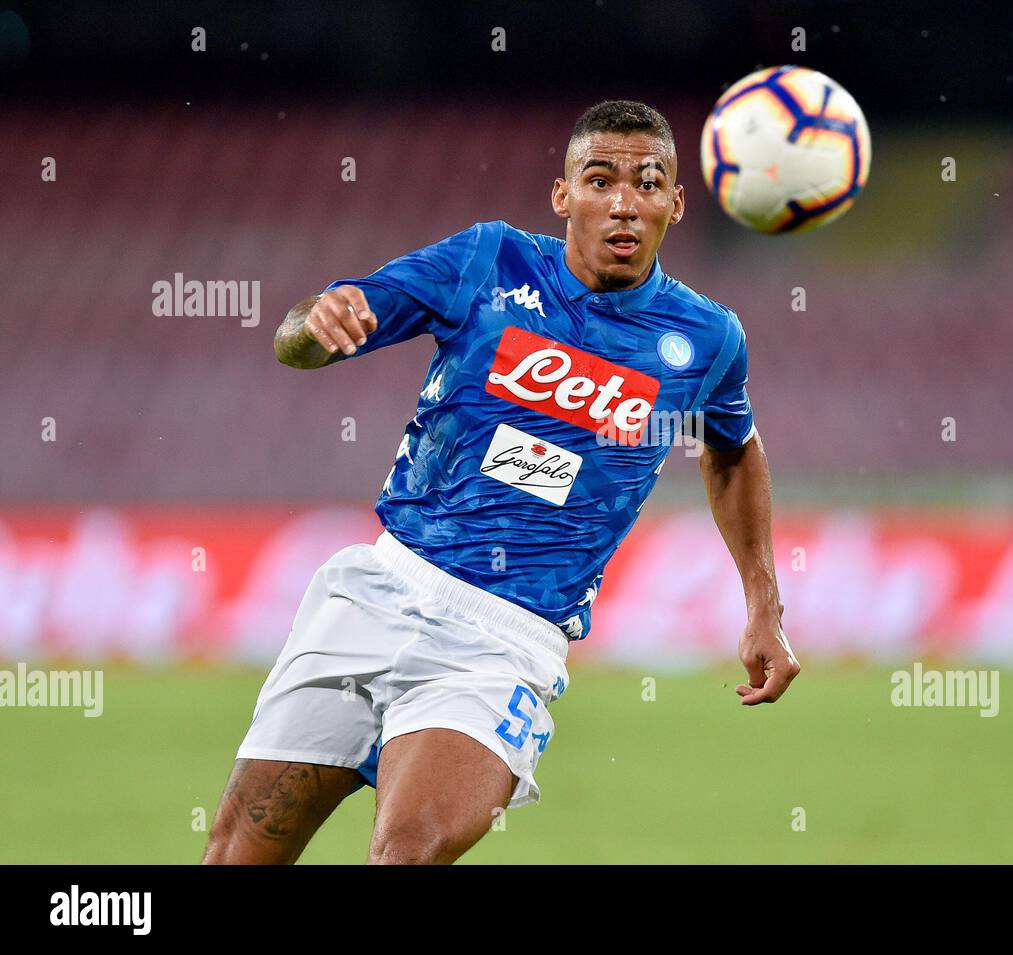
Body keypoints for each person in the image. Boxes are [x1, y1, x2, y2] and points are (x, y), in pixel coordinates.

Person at [202, 100, 798, 865]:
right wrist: (316, 322)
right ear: (562, 195)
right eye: (600, 178)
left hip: (502, 641)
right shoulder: (489, 262)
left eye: (649, 183)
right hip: (381, 589)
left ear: (676, 204)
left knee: (407, 852)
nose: (624, 201)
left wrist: (763, 603)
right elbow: (303, 339)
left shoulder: (707, 339)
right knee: (236, 854)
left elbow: (733, 451)